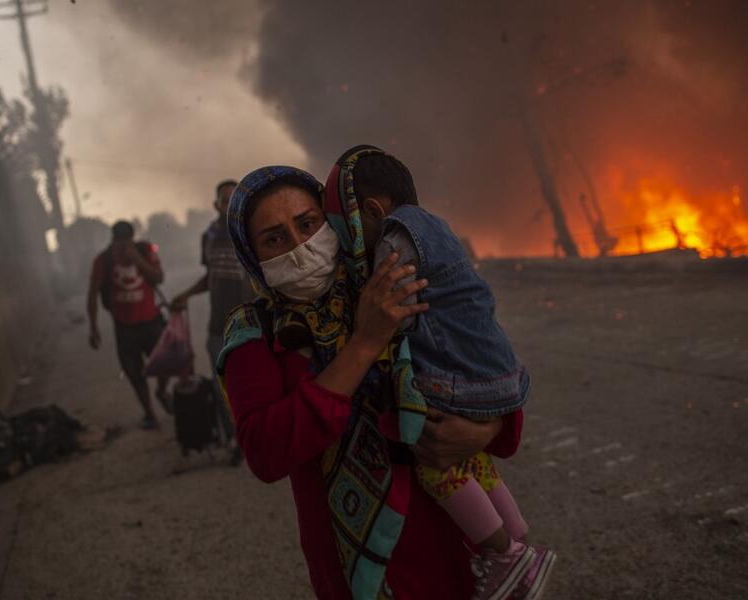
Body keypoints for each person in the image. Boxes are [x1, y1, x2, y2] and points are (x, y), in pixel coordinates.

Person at [217, 166, 523, 599]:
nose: (300, 246)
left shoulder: (383, 280)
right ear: (252, 255)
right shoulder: (253, 334)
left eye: (307, 224)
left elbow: (477, 358)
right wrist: (365, 342)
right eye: (274, 239)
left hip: (462, 548)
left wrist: (486, 429)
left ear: (331, 222)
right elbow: (266, 452)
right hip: (361, 568)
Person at [330, 145, 556, 600]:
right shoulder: (435, 226)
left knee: (436, 464)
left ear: (373, 210)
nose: (351, 245)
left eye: (350, 231)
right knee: (472, 459)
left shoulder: (392, 243)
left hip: (454, 379)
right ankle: (516, 536)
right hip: (494, 373)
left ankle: (504, 556)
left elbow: (398, 314)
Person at [171, 180, 252, 464]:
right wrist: (185, 295)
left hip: (252, 322)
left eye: (234, 199)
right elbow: (212, 278)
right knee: (223, 389)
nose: (229, 205)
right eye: (224, 200)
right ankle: (237, 440)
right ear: (215, 205)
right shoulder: (210, 236)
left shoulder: (251, 230)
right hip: (218, 325)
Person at [87, 220, 170, 430]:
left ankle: (161, 392)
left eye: (126, 241)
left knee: (164, 363)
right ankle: (149, 413)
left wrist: (137, 260)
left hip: (150, 321)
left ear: (132, 239)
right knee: (134, 372)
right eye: (119, 242)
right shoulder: (103, 260)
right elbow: (93, 293)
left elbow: (158, 277)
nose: (123, 246)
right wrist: (93, 327)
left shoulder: (144, 250)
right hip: (124, 327)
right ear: (113, 240)